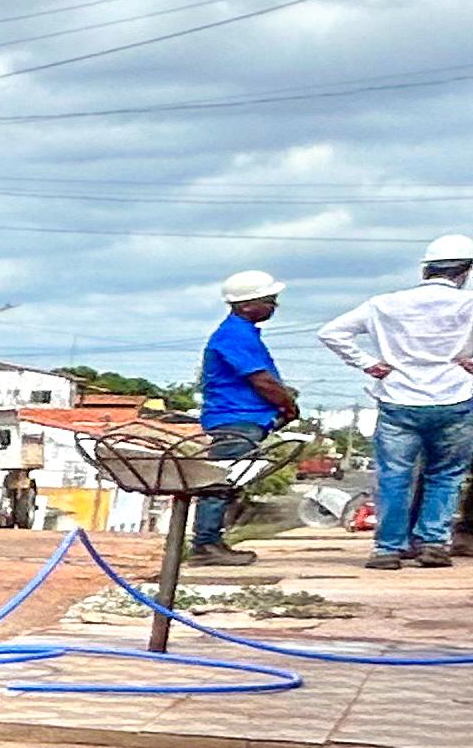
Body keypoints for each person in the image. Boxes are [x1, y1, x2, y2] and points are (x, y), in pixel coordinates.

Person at [318, 238, 473, 569]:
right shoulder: (468, 304)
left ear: (425, 269)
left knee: (394, 475)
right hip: (454, 398)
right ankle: (433, 543)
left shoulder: (384, 304)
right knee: (445, 475)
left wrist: (367, 363)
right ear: (464, 272)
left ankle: (388, 548)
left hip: (398, 399)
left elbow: (331, 332)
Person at [190, 271, 299, 565]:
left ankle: (213, 541)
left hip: (245, 419)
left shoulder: (243, 333)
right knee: (220, 482)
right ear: (248, 305)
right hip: (235, 420)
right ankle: (205, 544)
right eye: (269, 301)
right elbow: (261, 380)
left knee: (232, 483)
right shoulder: (235, 335)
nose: (274, 307)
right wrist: (288, 405)